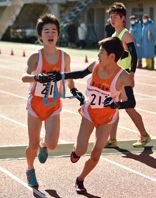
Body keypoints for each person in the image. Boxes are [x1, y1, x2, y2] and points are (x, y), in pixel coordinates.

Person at [48, 36, 136, 194]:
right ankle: (76, 151)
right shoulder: (95, 65)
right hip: (90, 114)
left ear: (112, 57)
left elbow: (132, 103)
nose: (98, 55)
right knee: (81, 150)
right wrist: (61, 75)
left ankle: (80, 179)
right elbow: (81, 74)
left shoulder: (122, 76)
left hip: (107, 118)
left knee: (96, 154)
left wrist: (117, 104)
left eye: (101, 52)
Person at [21, 13, 84, 187]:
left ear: (58, 34)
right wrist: (37, 78)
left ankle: (44, 144)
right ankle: (30, 169)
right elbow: (24, 77)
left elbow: (69, 77)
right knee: (31, 144)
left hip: (53, 104)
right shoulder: (36, 57)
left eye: (53, 31)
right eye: (46, 31)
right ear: (40, 36)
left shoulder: (65, 57)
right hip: (36, 104)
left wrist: (74, 90)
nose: (50, 34)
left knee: (53, 144)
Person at [105, 2, 150, 147]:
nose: (112, 20)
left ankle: (144, 135)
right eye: (111, 17)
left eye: (115, 17)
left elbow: (134, 56)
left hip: (124, 76)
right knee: (113, 108)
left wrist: (132, 75)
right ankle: (112, 138)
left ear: (122, 17)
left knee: (129, 108)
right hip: (115, 76)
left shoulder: (126, 34)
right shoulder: (114, 34)